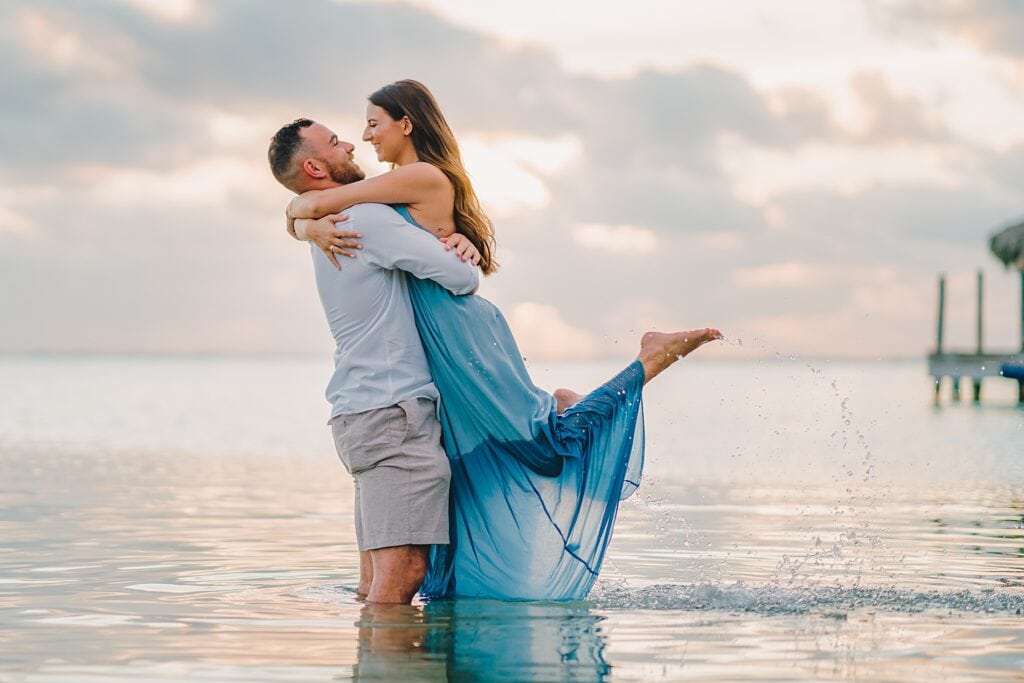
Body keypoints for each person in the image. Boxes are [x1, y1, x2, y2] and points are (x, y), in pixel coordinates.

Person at [281, 81, 722, 601]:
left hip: (455, 326)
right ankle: (566, 406)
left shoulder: (410, 180)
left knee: (532, 443)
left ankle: (641, 364)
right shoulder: (385, 192)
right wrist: (302, 220)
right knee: (487, 451)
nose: (360, 138)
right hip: (435, 340)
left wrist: (303, 216)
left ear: (407, 123)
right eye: (343, 137)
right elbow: (331, 207)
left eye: (373, 123)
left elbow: (346, 206)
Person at [267, 118, 479, 604]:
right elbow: (462, 279)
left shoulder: (334, 223)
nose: (350, 143)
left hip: (364, 413)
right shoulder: (365, 219)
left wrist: (300, 222)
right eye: (335, 141)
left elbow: (298, 215)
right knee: (402, 572)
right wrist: (461, 247)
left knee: (373, 582)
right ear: (316, 166)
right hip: (392, 413)